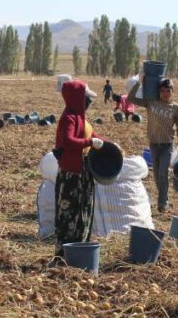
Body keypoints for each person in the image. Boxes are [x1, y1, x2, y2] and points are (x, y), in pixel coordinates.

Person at [53, 80, 105, 257]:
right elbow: (68, 141)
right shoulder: (69, 117)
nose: (89, 103)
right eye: (86, 99)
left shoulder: (81, 118)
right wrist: (90, 143)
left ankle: (80, 250)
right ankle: (65, 254)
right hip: (72, 174)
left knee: (83, 210)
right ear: (77, 98)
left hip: (83, 171)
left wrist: (109, 145)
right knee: (70, 213)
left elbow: (92, 135)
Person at [128, 76, 178, 213]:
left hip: (167, 145)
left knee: (163, 172)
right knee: (156, 176)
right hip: (153, 144)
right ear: (159, 91)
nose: (166, 94)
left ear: (172, 92)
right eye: (163, 91)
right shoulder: (151, 103)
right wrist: (139, 82)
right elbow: (130, 98)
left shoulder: (176, 108)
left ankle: (162, 204)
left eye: (168, 91)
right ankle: (164, 197)